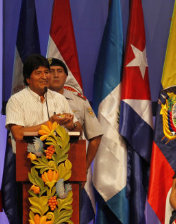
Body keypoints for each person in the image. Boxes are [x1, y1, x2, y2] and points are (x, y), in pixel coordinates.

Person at [3, 54, 81, 224]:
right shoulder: (16, 101)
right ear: (28, 78)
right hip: (27, 166)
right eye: (39, 73)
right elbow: (18, 133)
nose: (45, 76)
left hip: (58, 167)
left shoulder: (59, 99)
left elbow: (77, 130)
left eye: (46, 72)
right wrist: (50, 123)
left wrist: (71, 125)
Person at [48, 57, 103, 174]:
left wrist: (85, 167)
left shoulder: (80, 101)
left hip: (73, 164)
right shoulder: (35, 100)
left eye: (59, 71)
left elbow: (95, 136)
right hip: (42, 162)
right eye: (51, 71)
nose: (56, 75)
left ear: (66, 76)